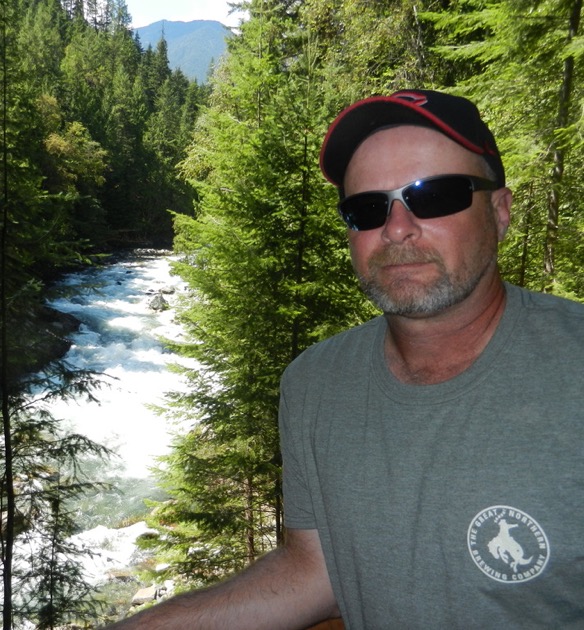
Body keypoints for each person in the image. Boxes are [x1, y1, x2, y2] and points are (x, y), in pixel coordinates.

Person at [105, 89, 584, 628]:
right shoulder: (315, 383)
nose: (397, 228)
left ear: (499, 212)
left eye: (435, 195)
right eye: (368, 208)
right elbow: (319, 573)